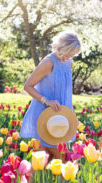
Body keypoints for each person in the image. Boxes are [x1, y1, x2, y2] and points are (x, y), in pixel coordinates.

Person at [20, 30, 81, 161]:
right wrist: (47, 101)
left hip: (60, 116)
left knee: (45, 156)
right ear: (61, 47)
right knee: (61, 157)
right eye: (68, 53)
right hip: (46, 115)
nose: (69, 57)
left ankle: (32, 181)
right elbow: (27, 86)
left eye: (72, 54)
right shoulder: (48, 63)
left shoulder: (69, 63)